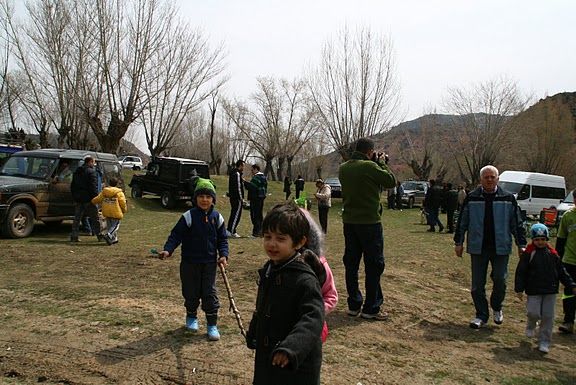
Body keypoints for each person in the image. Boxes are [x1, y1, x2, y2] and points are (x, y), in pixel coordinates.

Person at [246, 203, 324, 385]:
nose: (272, 244)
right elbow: (263, 306)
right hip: (269, 359)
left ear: (299, 242)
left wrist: (291, 347)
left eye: (281, 239)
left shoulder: (304, 279)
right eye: (267, 237)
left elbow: (313, 318)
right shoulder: (270, 269)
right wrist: (255, 330)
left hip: (295, 365)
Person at [454, 165, 526, 329]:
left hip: (501, 247)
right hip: (478, 247)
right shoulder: (472, 198)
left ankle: (497, 307)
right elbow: (462, 221)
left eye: (492, 177)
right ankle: (481, 315)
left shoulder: (508, 198)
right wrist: (458, 242)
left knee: (500, 279)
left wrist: (521, 244)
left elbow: (516, 222)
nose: (489, 180)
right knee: (477, 285)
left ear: (497, 179)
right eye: (486, 177)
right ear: (481, 180)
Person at [158, 178, 229, 341]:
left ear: (213, 199)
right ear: (195, 198)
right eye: (201, 196)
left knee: (209, 294)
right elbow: (176, 235)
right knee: (190, 292)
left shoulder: (217, 218)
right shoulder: (188, 217)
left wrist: (223, 255)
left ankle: (212, 325)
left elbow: (223, 240)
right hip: (189, 264)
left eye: (208, 196)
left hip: (209, 264)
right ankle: (191, 317)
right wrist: (168, 250)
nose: (205, 200)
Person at [339, 138, 396, 320]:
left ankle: (354, 304)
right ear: (370, 151)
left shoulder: (344, 168)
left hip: (349, 221)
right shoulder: (370, 167)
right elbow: (390, 182)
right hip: (370, 222)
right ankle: (371, 307)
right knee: (374, 264)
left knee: (351, 263)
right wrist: (381, 164)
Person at [515, 223, 576, 354]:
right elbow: (521, 272)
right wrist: (519, 288)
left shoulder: (553, 254)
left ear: (547, 239)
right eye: (537, 239)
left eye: (543, 239)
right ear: (532, 240)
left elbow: (562, 271)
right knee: (533, 313)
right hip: (534, 290)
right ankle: (531, 325)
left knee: (548, 317)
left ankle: (544, 341)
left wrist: (571, 284)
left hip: (550, 290)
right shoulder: (528, 254)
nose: (540, 242)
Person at [300, 208, 338, 343]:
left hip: (310, 331)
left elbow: (331, 296)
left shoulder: (318, 265)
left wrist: (313, 311)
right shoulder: (276, 265)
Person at [70, 156, 101, 242]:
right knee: (95, 218)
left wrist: (75, 196)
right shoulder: (91, 172)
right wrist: (96, 198)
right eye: (93, 162)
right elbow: (93, 187)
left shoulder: (77, 171)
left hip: (79, 198)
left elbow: (72, 186)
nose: (94, 164)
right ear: (90, 162)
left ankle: (74, 236)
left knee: (77, 218)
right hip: (89, 199)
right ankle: (99, 235)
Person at [556, 200, 576, 334]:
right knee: (569, 291)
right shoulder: (568, 216)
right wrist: (557, 260)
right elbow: (561, 238)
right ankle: (568, 321)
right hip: (570, 260)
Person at [90, 177, 127, 245]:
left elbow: (98, 198)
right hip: (116, 211)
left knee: (110, 226)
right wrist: (124, 210)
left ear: (109, 183)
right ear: (116, 184)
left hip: (106, 211)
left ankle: (114, 239)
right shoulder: (119, 193)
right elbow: (122, 202)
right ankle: (108, 235)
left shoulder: (105, 192)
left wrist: (92, 201)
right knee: (115, 226)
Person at [243, 164, 267, 237]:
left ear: (256, 169)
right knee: (259, 215)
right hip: (261, 198)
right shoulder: (263, 177)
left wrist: (244, 182)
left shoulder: (257, 177)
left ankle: (256, 233)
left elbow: (252, 187)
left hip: (255, 198)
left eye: (252, 169)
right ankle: (261, 231)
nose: (252, 171)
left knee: (255, 215)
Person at [227, 160, 245, 238]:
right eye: (243, 166)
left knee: (234, 213)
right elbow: (238, 188)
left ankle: (230, 230)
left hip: (233, 197)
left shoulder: (234, 173)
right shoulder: (237, 174)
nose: (244, 167)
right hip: (236, 198)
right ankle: (232, 231)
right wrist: (241, 198)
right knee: (236, 214)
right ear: (240, 165)